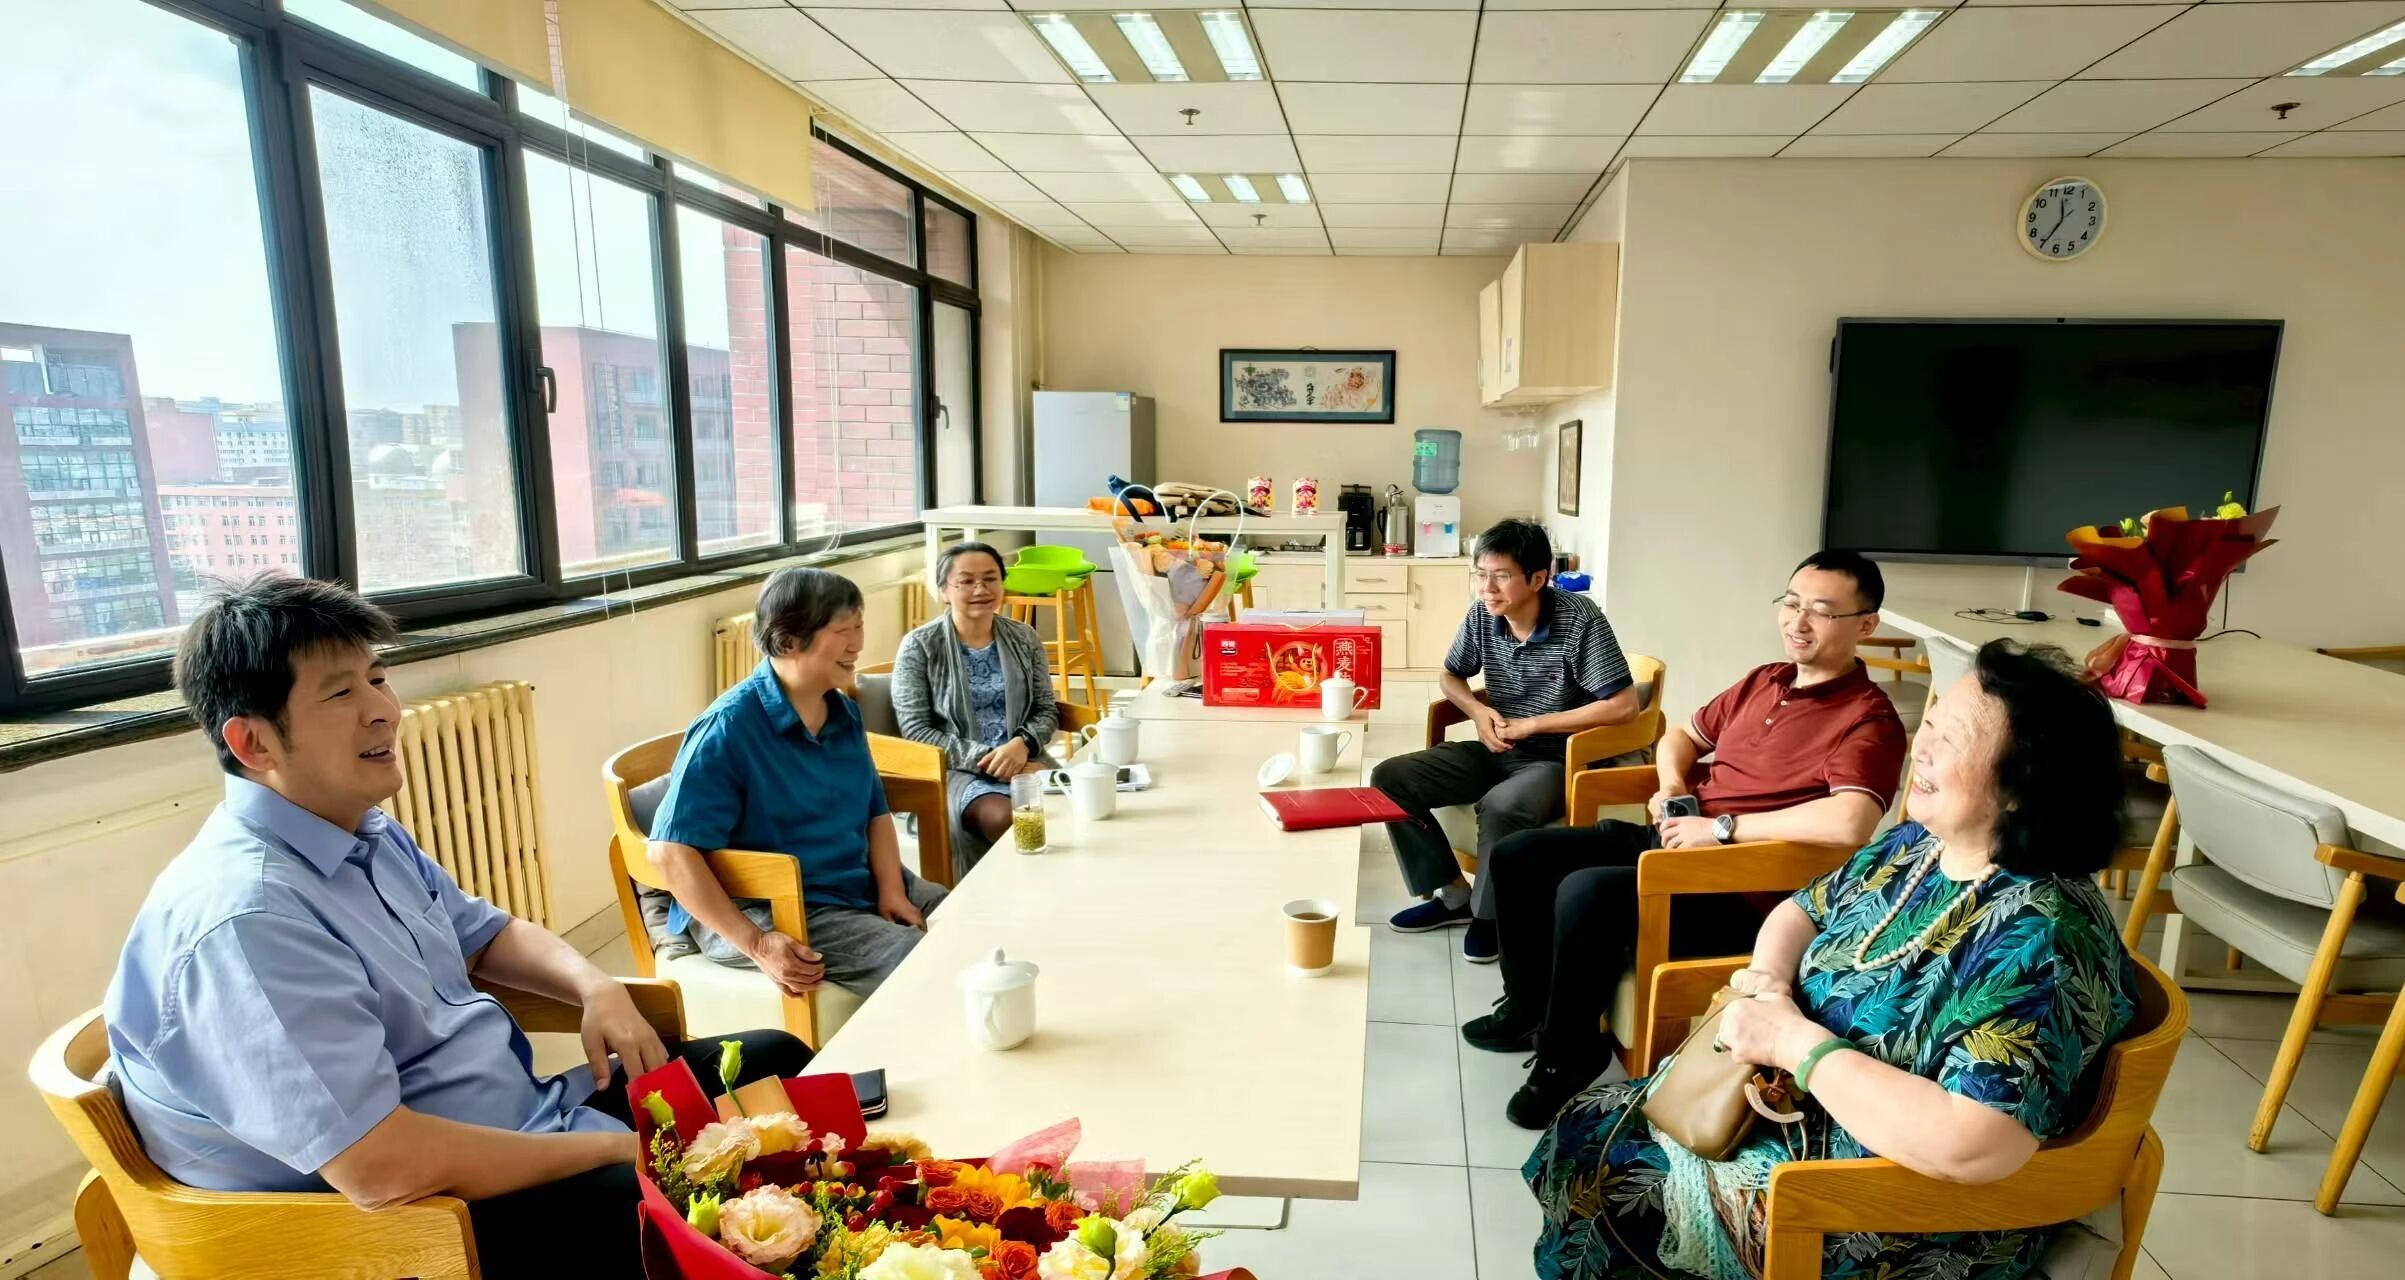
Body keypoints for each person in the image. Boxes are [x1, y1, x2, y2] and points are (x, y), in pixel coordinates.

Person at [103, 574, 809, 1280]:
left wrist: (595, 987)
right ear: (253, 742)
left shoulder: (361, 831)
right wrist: (616, 1151)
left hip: (519, 1122)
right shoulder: (250, 921)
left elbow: (488, 934)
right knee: (728, 1211)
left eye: (377, 678)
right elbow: (380, 1168)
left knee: (776, 1063)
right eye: (340, 693)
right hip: (430, 1219)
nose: (384, 711)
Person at [1526, 639, 2138, 1280]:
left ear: (2024, 784)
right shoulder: (1918, 844)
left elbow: (1974, 1145)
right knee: (1584, 1128)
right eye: (1929, 725)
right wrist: (1768, 982)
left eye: (1951, 739)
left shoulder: (2041, 937)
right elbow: (1802, 909)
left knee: (1613, 1193)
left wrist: (1796, 1046)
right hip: (1794, 1115)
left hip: (1887, 1207)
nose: (1922, 748)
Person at [1476, 551, 1908, 1127]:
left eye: (1821, 612)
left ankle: (1567, 1054)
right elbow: (1680, 737)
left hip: (1741, 886)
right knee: (1519, 855)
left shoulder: (1869, 719)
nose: (1798, 622)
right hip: (1679, 839)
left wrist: (1723, 830)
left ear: (1866, 624)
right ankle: (1527, 1006)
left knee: (1587, 892)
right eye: (1791, 604)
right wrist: (1672, 786)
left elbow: (1850, 820)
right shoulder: (1764, 679)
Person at [650, 567, 946, 998]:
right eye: (843, 631)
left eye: (859, 626)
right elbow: (668, 852)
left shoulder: (843, 713)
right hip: (772, 907)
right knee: (925, 964)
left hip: (851, 882)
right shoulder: (728, 727)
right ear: (788, 641)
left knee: (974, 919)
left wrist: (892, 889)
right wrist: (757, 944)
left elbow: (874, 809)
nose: (857, 644)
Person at [1374, 518, 1642, 963]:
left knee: (1501, 807)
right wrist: (1478, 713)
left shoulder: (1580, 620)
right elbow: (1450, 676)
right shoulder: (1483, 613)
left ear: (1538, 579)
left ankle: (1490, 918)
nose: (1486, 588)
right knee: (1390, 778)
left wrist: (1533, 725)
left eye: (1500, 576)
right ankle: (1453, 895)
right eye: (1480, 574)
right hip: (1496, 746)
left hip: (1557, 759)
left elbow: (1624, 705)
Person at [890, 541, 1060, 877]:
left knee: (1081, 805)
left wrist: (1022, 745)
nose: (981, 589)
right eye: (966, 581)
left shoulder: (1025, 637)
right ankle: (1006, 892)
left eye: (990, 579)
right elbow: (916, 731)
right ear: (944, 590)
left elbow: (1045, 709)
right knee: (1010, 817)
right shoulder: (919, 646)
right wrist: (993, 761)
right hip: (956, 770)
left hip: (1025, 758)